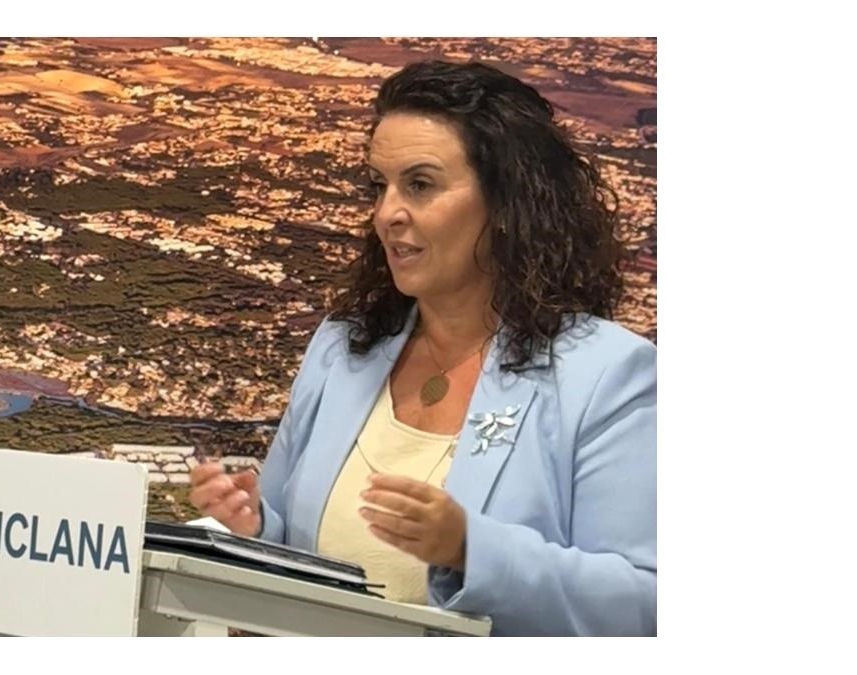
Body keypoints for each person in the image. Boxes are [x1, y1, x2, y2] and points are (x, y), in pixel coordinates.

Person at [189, 60, 656, 636]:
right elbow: (298, 546)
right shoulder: (343, 348)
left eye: (420, 185)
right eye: (378, 186)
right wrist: (253, 530)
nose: (387, 213)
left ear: (507, 204)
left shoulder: (608, 374)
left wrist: (470, 549)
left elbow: (643, 605)